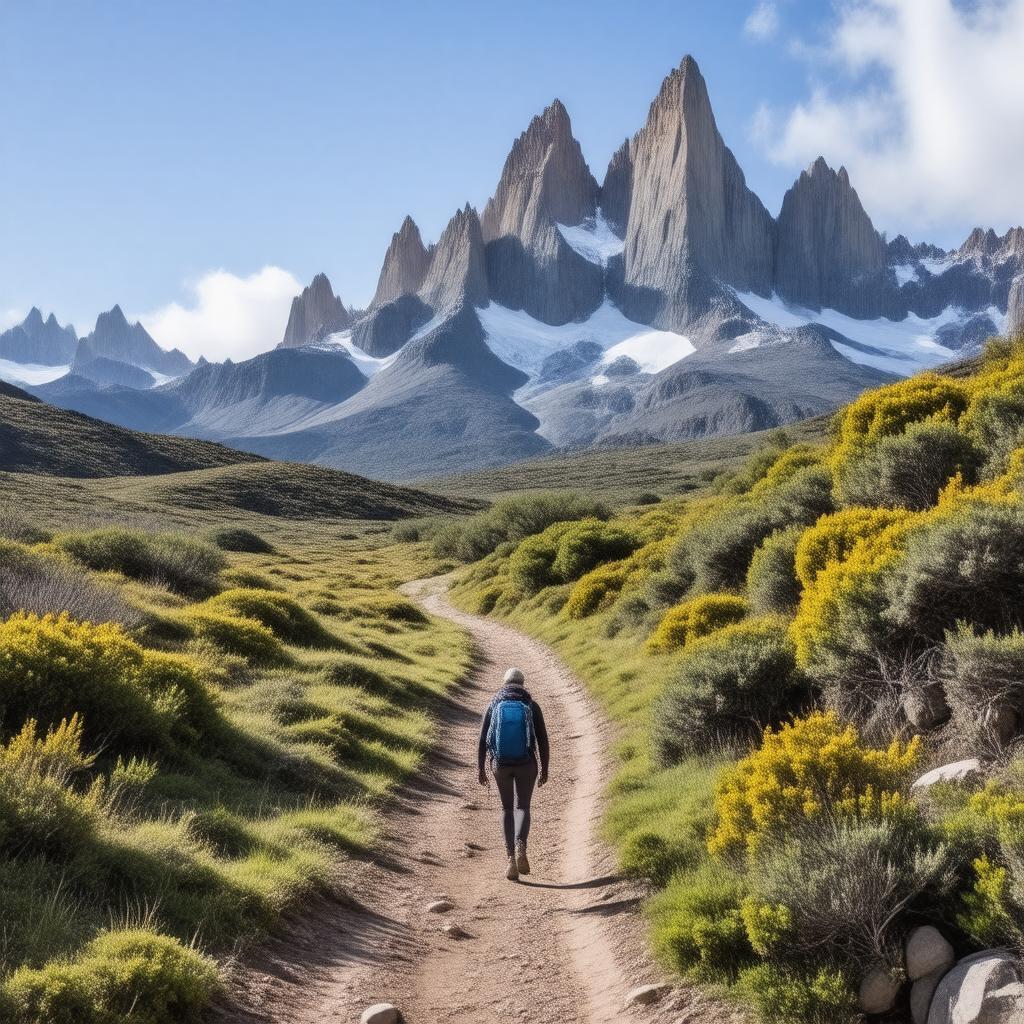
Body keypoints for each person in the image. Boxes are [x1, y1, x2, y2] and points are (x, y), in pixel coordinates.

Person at [478, 667, 549, 881]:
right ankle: (521, 847)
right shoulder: (531, 705)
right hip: (527, 763)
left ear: (504, 683)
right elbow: (543, 740)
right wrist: (545, 769)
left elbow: (483, 740)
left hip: (500, 765)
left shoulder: (493, 705)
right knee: (523, 807)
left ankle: (510, 859)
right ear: (522, 683)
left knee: (507, 808)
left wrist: (480, 769)